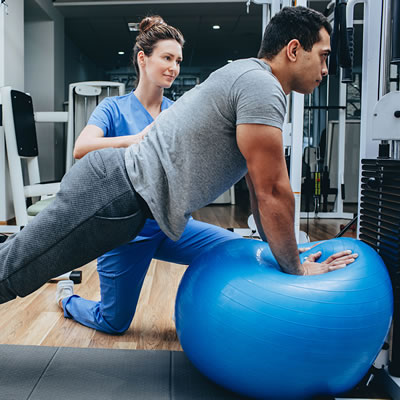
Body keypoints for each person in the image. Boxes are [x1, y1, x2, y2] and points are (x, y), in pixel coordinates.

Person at [0, 6, 358, 307]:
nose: (326, 71)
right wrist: (296, 268)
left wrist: (286, 255)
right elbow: (274, 191)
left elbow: (259, 193)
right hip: (115, 192)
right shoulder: (261, 85)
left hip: (130, 205)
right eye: (323, 57)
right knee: (18, 269)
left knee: (21, 264)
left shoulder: (250, 80)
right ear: (294, 50)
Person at [55, 16, 241, 334]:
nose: (174, 67)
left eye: (178, 60)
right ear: (143, 58)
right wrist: (139, 138)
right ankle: (67, 299)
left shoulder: (177, 110)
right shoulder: (112, 108)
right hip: (125, 234)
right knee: (113, 323)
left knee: (233, 249)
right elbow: (81, 147)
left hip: (170, 226)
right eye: (167, 58)